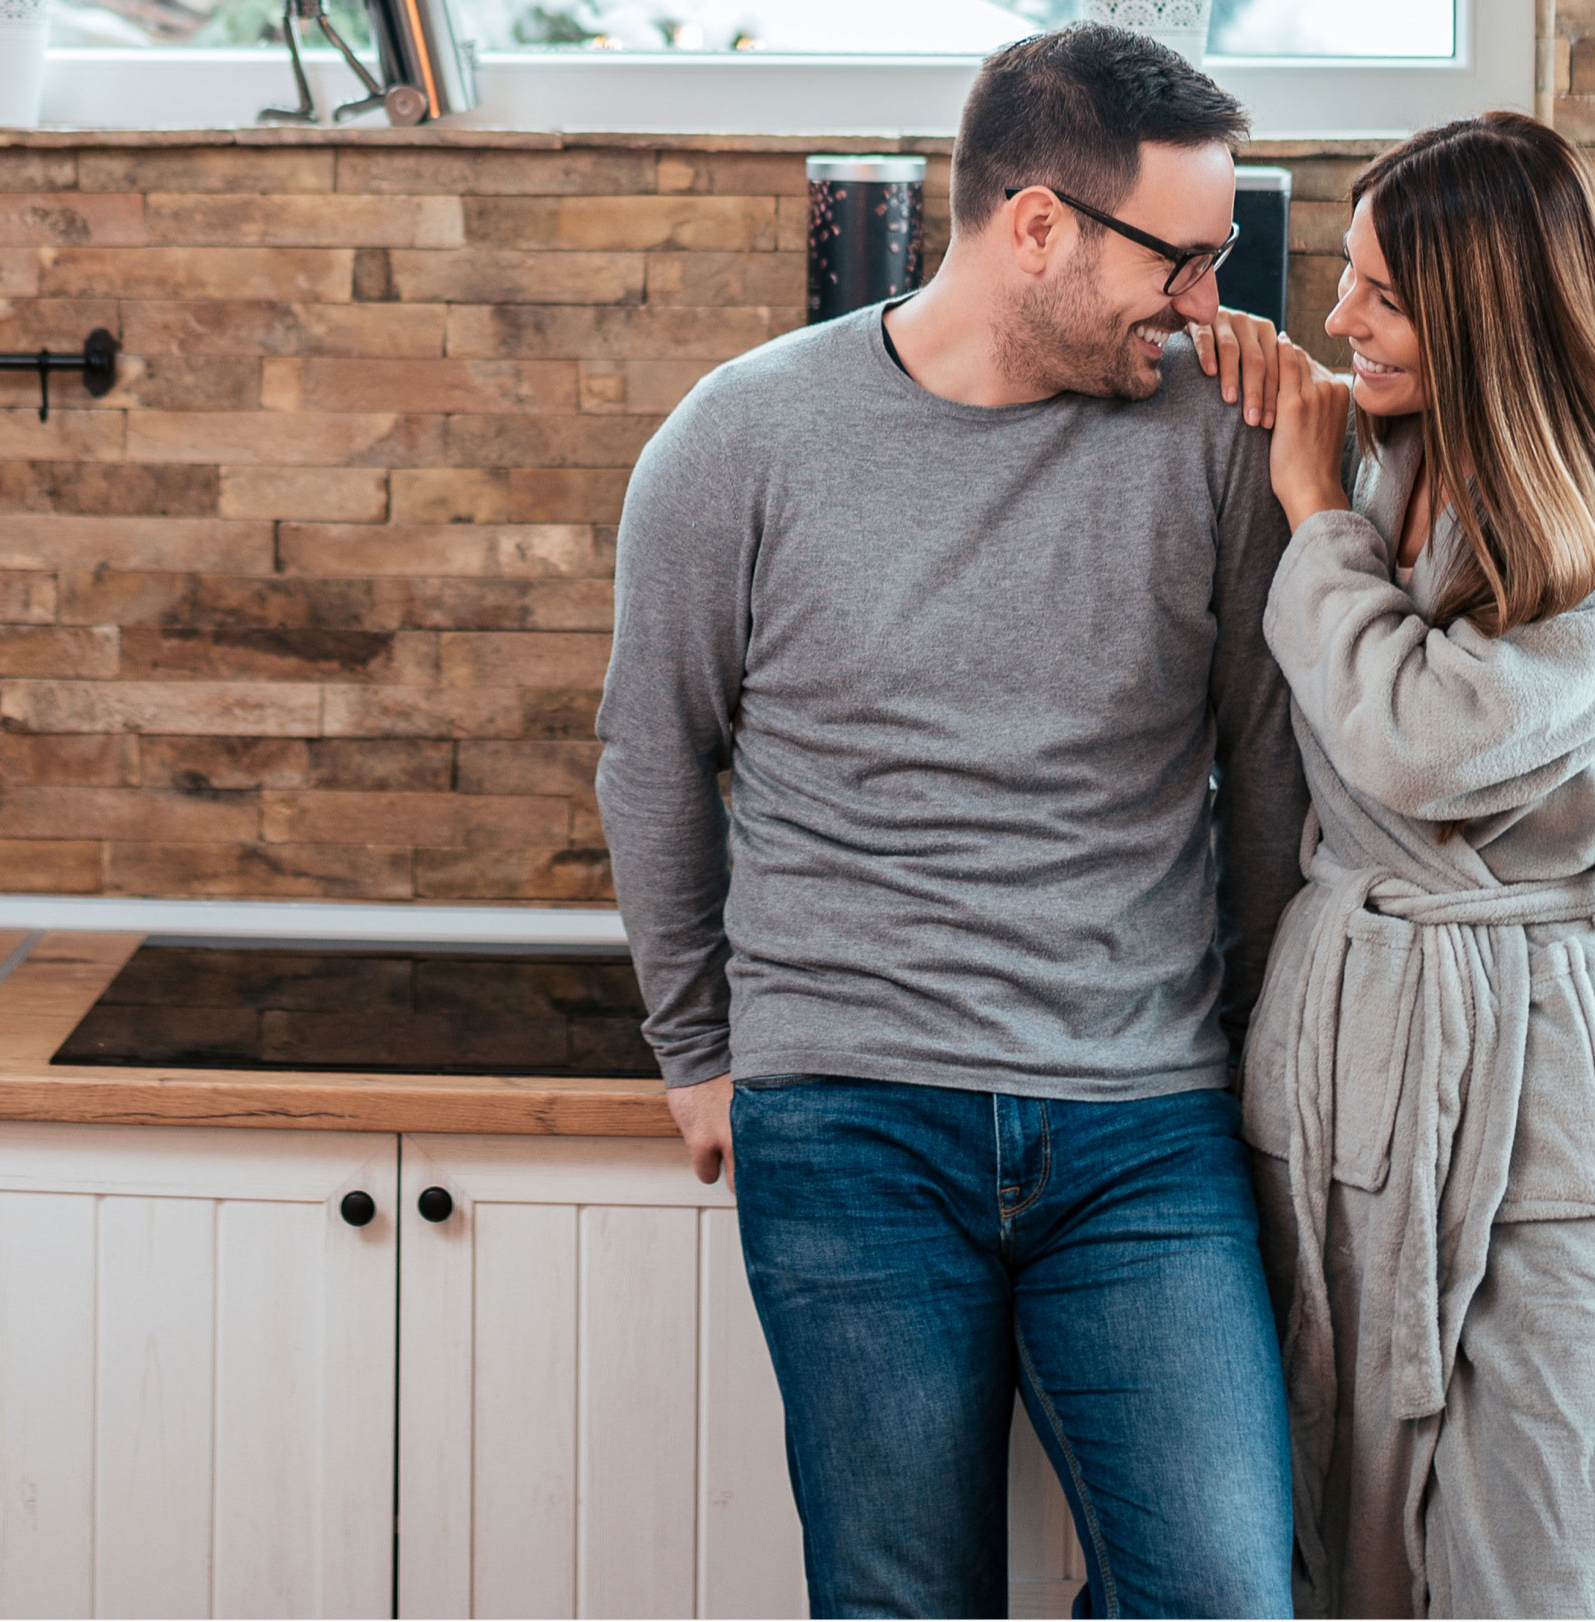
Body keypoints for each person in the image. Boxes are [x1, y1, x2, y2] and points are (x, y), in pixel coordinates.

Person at [595, 24, 1308, 1617]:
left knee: (1221, 1591)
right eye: (1184, 261)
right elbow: (653, 750)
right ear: (1038, 225)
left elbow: (1266, 775)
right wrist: (696, 1048)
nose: (1210, 300)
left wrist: (1247, 1048)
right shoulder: (743, 438)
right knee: (899, 1598)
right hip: (847, 1116)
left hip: (1141, 1127)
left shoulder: (1217, 438)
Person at [1240, 111, 1595, 1617]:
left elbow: (1429, 743)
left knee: (1555, 1562)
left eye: (1381, 291)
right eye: (1346, 282)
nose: (1339, 318)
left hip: (1556, 1051)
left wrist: (1310, 520)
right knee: (1345, 1561)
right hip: (1352, 1043)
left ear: (1489, 299)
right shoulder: (1382, 459)